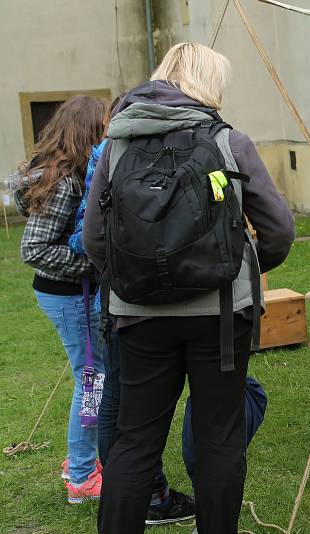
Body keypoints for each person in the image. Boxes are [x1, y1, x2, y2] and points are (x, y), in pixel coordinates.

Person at [83, 42, 294, 534]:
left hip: (138, 316)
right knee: (219, 437)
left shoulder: (118, 145)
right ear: (208, 83)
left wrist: (132, 282)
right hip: (220, 316)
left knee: (134, 441)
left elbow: (95, 238)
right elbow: (279, 229)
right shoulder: (228, 142)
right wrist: (245, 269)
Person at [14, 95, 107, 503]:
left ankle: (82, 460)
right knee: (91, 383)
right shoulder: (65, 180)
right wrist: (91, 268)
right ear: (89, 132)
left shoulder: (61, 173)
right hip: (70, 296)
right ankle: (82, 477)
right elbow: (33, 249)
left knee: (92, 379)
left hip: (69, 295)